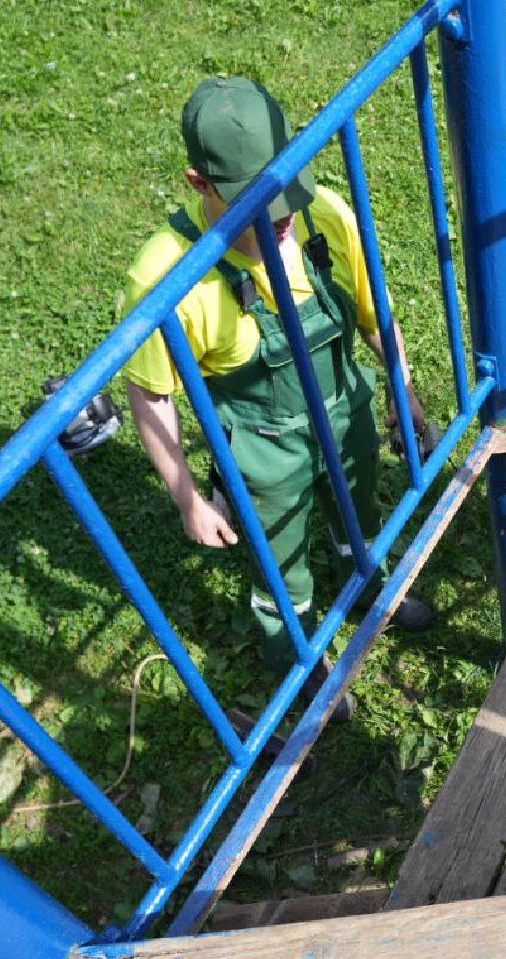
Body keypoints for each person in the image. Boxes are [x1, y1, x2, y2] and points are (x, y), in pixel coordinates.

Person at [119, 76, 433, 714]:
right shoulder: (166, 278)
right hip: (262, 450)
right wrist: (186, 497)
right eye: (258, 208)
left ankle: (370, 584)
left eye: (285, 196)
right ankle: (299, 659)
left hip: (345, 409)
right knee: (280, 567)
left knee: (362, 514)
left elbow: (374, 317)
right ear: (199, 183)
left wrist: (405, 392)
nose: (281, 220)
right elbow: (151, 398)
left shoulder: (326, 216)